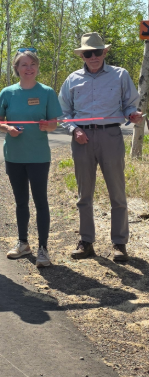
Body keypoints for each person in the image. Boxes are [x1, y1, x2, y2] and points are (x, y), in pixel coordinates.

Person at [58, 32, 142, 263]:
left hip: (110, 136)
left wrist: (132, 114)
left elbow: (129, 104)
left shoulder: (120, 75)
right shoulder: (72, 79)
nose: (93, 57)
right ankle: (86, 242)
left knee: (117, 192)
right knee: (84, 194)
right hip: (81, 139)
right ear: (82, 56)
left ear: (104, 52)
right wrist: (74, 130)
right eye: (88, 53)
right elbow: (62, 112)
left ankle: (119, 243)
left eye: (97, 52)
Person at [0, 49, 63, 267]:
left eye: (32, 64)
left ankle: (43, 249)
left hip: (38, 156)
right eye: (24, 64)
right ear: (17, 68)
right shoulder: (7, 93)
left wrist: (48, 125)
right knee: (21, 202)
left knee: (41, 201)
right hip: (14, 156)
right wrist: (8, 128)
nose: (29, 68)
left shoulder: (47, 92)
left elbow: (55, 123)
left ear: (37, 67)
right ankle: (23, 243)